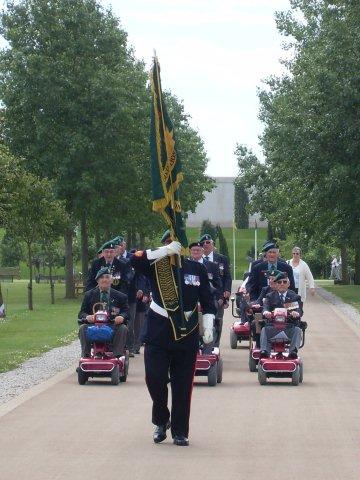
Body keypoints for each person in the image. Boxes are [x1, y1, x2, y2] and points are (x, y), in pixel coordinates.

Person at [131, 231, 216, 447]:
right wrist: (164, 251)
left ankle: (180, 431)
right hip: (158, 332)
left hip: (186, 332)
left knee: (183, 385)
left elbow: (207, 299)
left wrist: (207, 325)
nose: (173, 246)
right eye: (169, 243)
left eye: (176, 243)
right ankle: (161, 420)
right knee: (154, 378)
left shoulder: (196, 268)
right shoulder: (156, 265)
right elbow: (135, 258)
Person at [78, 267, 129, 358]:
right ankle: (86, 355)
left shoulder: (121, 296)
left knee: (123, 328)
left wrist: (121, 316)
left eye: (107, 277)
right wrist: (88, 317)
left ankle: (117, 356)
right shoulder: (89, 295)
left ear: (111, 280)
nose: (104, 280)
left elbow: (126, 312)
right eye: (101, 277)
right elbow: (82, 313)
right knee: (82, 328)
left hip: (112, 325)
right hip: (94, 326)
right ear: (97, 280)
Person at [188, 241, 223, 353]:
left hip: (207, 302)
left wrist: (216, 297)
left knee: (210, 328)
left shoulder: (212, 266)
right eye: (193, 250)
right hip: (190, 302)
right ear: (190, 252)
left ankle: (207, 353)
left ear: (202, 251)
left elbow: (218, 285)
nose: (196, 252)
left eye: (198, 250)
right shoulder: (184, 265)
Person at [260, 272, 303, 359]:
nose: (282, 284)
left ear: (289, 284)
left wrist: (296, 313)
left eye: (284, 282)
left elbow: (299, 310)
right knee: (264, 329)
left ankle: (293, 352)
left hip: (289, 328)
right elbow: (265, 308)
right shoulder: (269, 296)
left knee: (297, 330)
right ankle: (265, 351)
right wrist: (266, 313)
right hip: (273, 328)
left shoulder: (294, 297)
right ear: (275, 285)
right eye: (279, 282)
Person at [199, 233, 232, 347]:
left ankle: (215, 346)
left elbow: (227, 277)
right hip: (202, 297)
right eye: (203, 243)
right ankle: (202, 344)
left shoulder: (222, 259)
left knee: (217, 321)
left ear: (213, 245)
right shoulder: (198, 259)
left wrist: (226, 293)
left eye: (208, 243)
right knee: (202, 320)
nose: (206, 245)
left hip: (218, 297)